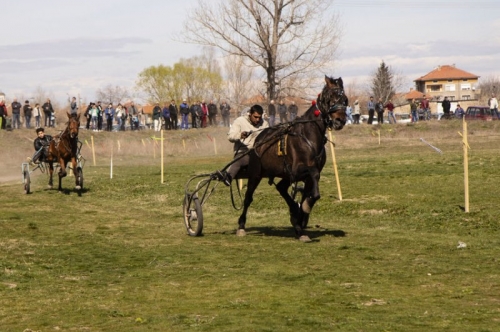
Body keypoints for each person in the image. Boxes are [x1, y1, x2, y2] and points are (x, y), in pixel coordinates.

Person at [221, 104, 269, 186]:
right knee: (240, 159)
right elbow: (230, 137)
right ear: (250, 114)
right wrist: (240, 135)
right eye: (255, 117)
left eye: (259, 117)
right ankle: (228, 177)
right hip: (244, 152)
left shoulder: (265, 124)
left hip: (260, 152)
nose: (258, 120)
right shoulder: (239, 121)